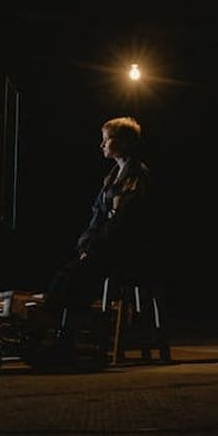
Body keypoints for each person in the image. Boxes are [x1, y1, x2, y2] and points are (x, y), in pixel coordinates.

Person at [35, 116, 153, 361]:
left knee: (80, 273)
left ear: (123, 142)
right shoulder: (111, 179)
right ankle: (59, 333)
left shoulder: (137, 176)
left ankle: (60, 335)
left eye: (106, 139)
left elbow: (125, 221)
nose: (102, 145)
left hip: (128, 250)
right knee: (73, 271)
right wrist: (86, 243)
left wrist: (96, 246)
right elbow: (96, 217)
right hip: (106, 247)